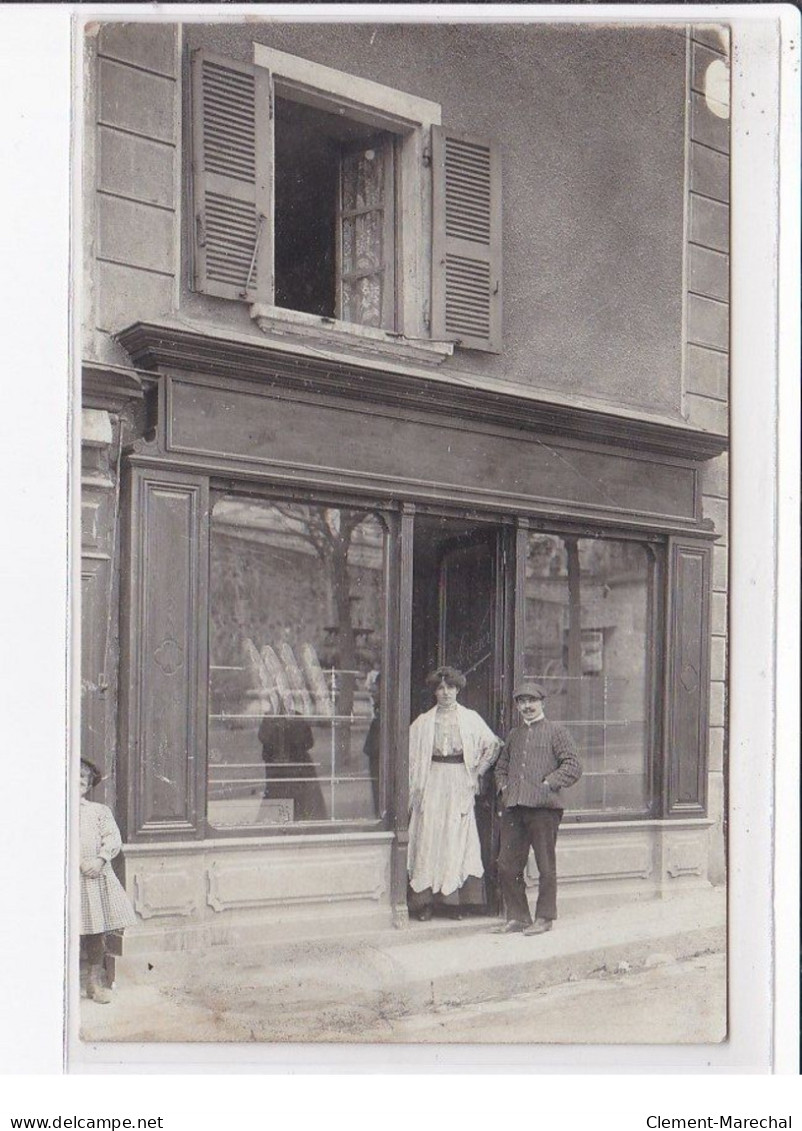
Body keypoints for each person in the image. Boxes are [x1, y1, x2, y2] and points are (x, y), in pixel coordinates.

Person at [407, 666, 501, 921]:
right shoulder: (424, 721)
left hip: (460, 778)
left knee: (456, 836)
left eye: (450, 687)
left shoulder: (470, 718)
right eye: (440, 688)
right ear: (434, 691)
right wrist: (416, 787)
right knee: (430, 835)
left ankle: (455, 902)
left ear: (458, 689)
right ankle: (425, 902)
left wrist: (477, 772)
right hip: (433, 779)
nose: (446, 692)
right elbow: (412, 756)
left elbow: (492, 745)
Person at [493, 680, 582, 935]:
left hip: (544, 809)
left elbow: (573, 766)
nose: (527, 706)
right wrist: (504, 788)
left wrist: (548, 783)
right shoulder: (514, 735)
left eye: (531, 701)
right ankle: (519, 917)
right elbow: (501, 767)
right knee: (507, 864)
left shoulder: (557, 732)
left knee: (545, 865)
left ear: (542, 703)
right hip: (515, 808)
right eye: (522, 702)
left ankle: (544, 918)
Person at [79, 759, 136, 1004]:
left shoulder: (98, 811)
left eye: (82, 779)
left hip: (92, 878)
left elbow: (112, 838)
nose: (77, 782)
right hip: (64, 880)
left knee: (95, 933)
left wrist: (100, 859)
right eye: (71, 776)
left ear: (89, 785)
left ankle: (94, 983)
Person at [258, 714, 327, 821]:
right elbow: (264, 738)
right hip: (281, 774)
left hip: (292, 773)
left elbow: (308, 741)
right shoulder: (270, 719)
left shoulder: (295, 718)